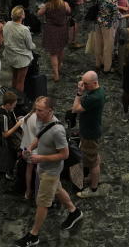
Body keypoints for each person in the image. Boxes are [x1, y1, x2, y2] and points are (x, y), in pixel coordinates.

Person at [14, 96, 83, 247]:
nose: (36, 113)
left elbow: (64, 155)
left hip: (51, 171)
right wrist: (30, 148)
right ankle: (74, 211)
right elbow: (39, 136)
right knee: (57, 189)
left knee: (42, 203)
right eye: (36, 109)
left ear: (50, 111)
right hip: (43, 167)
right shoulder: (40, 119)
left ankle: (34, 235)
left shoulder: (58, 131)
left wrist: (41, 157)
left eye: (40, 110)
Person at [73, 70, 106, 199]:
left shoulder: (94, 97)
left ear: (95, 82)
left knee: (93, 162)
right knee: (94, 157)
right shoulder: (99, 91)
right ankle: (93, 178)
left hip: (89, 133)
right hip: (93, 129)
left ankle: (93, 189)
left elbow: (75, 109)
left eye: (86, 84)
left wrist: (79, 93)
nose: (83, 86)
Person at [37, 0, 70, 82]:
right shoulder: (65, 4)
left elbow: (39, 13)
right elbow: (69, 12)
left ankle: (56, 74)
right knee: (61, 49)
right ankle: (59, 67)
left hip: (51, 30)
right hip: (62, 29)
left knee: (53, 53)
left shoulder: (47, 6)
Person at [3, 6, 35, 93]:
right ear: (22, 16)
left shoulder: (7, 24)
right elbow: (30, 46)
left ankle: (12, 96)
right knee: (21, 81)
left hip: (11, 55)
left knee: (14, 77)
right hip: (22, 58)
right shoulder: (24, 29)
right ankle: (18, 100)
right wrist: (34, 46)